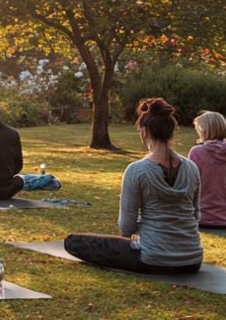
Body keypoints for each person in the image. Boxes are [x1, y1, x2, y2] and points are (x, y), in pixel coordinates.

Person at [64, 98, 202, 274]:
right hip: (192, 259)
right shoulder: (192, 168)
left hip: (153, 258)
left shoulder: (137, 170)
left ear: (145, 132)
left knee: (72, 242)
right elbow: (196, 215)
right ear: (171, 132)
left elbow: (127, 227)